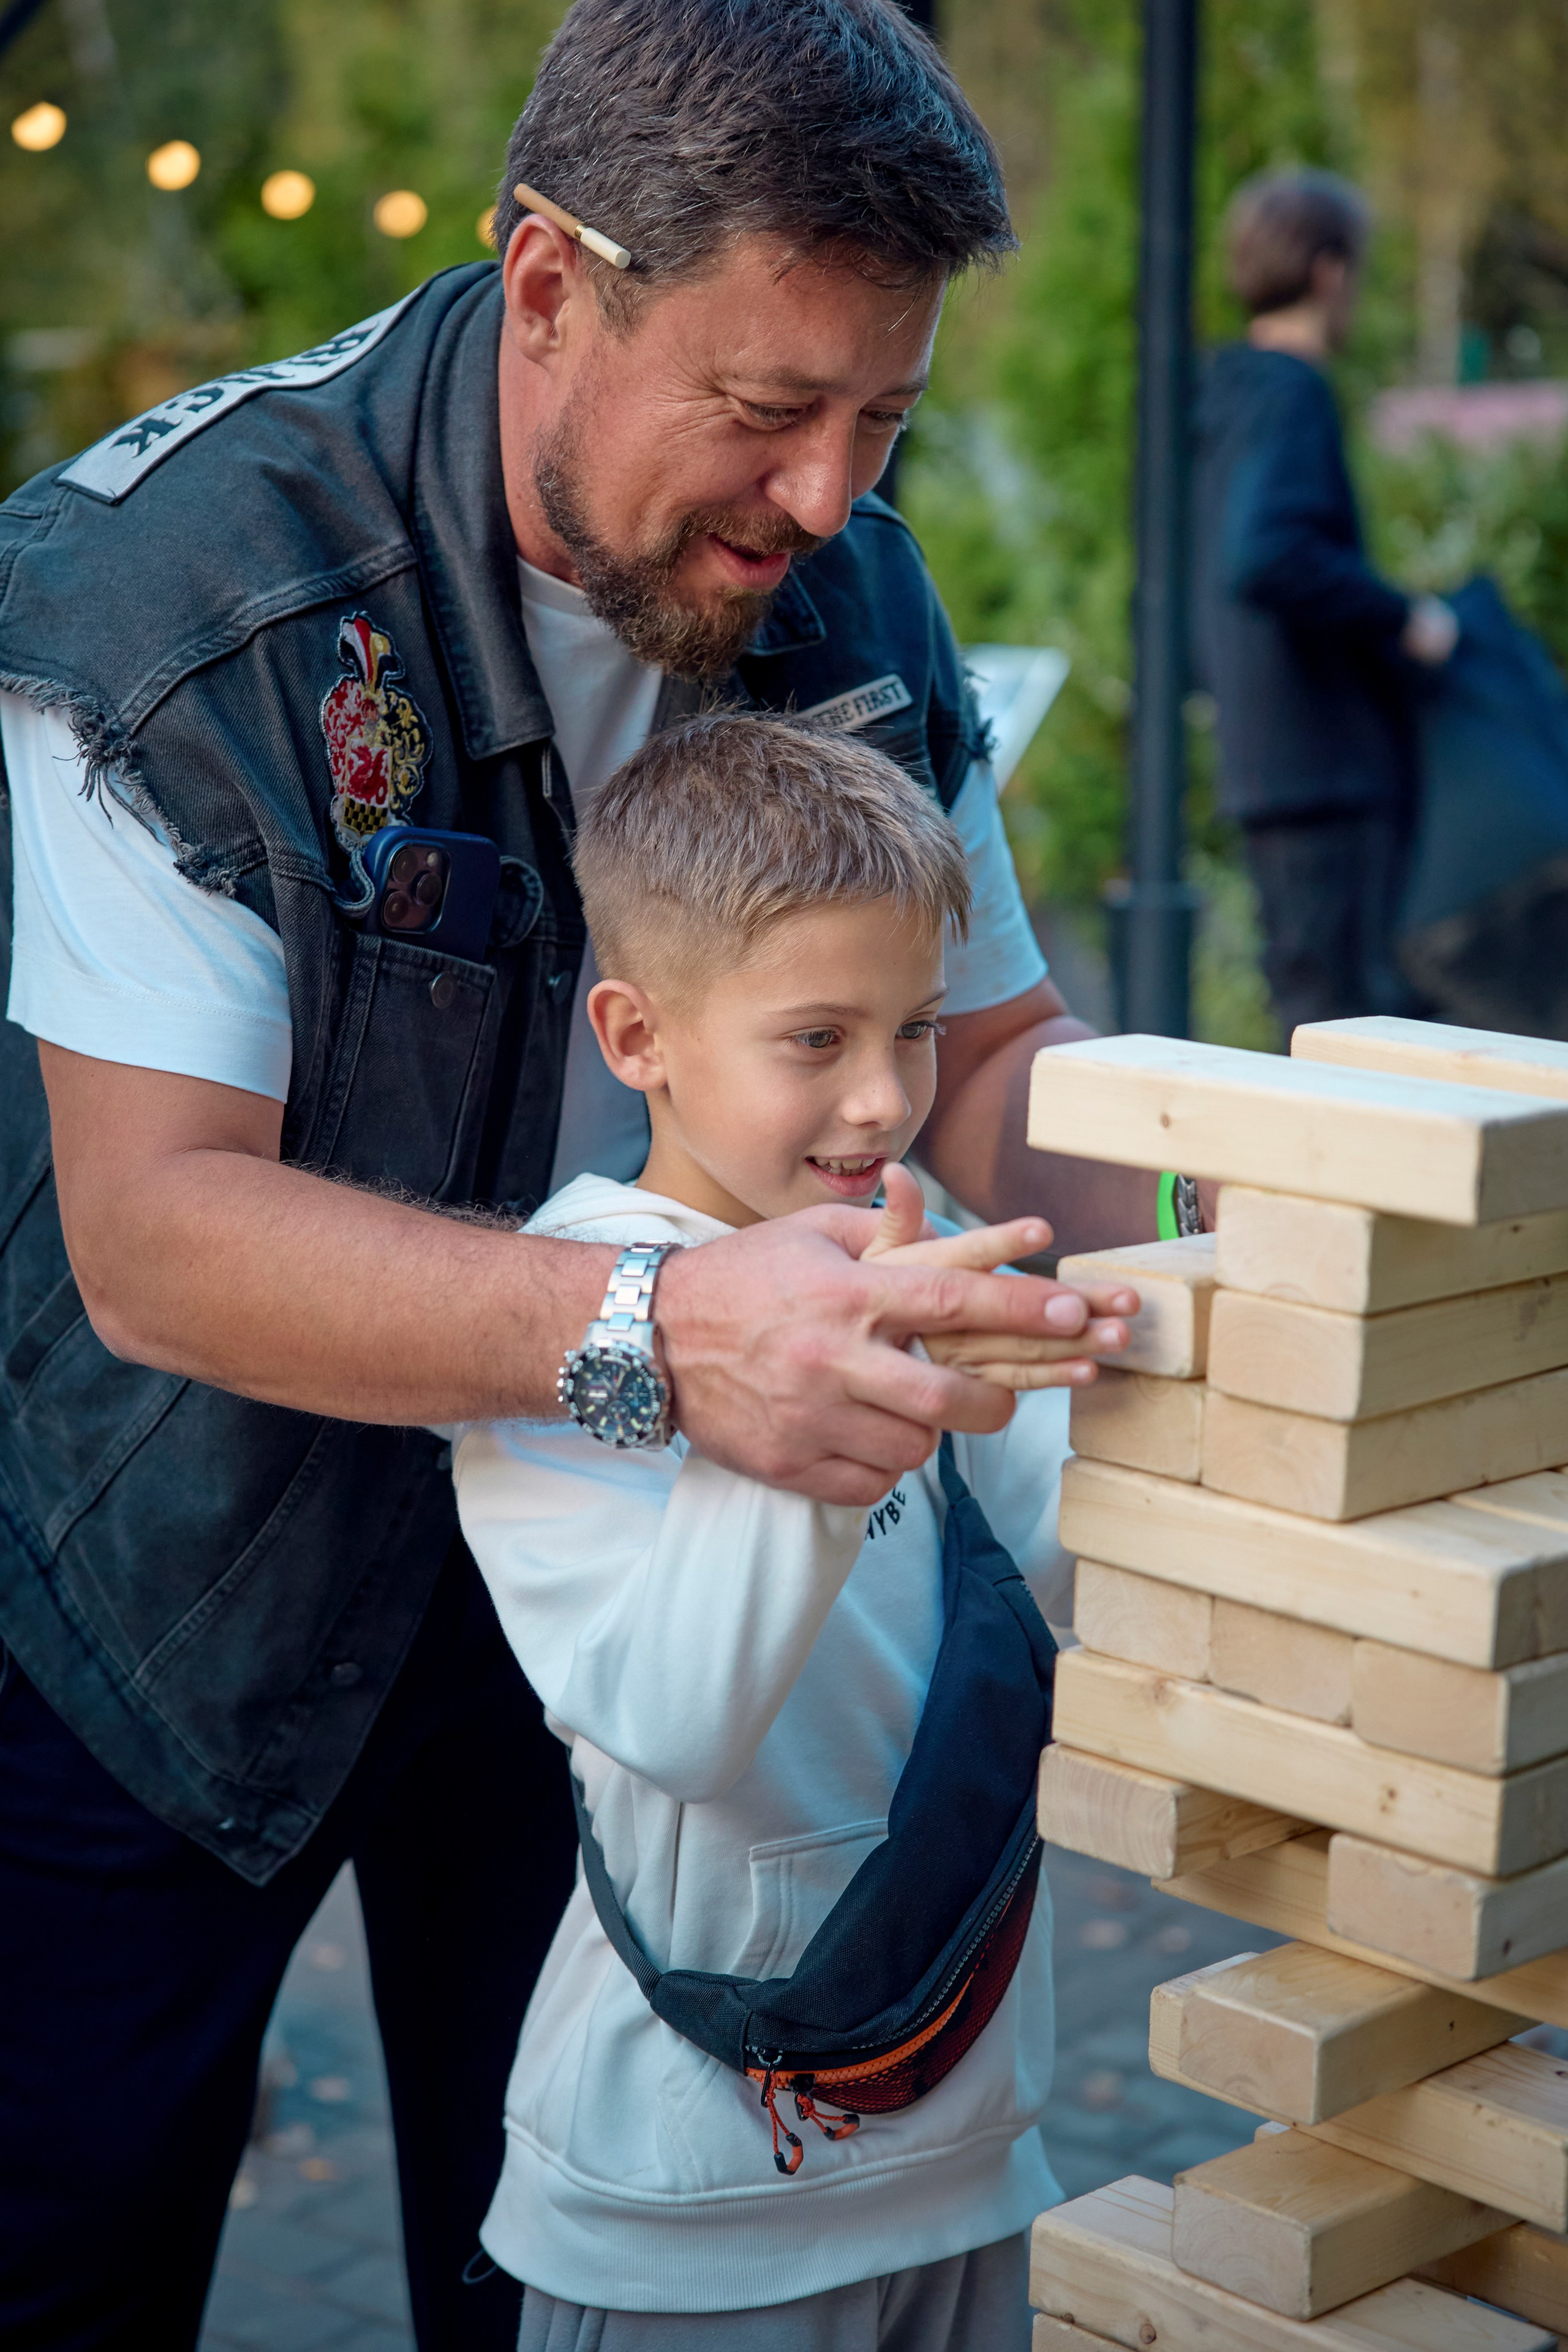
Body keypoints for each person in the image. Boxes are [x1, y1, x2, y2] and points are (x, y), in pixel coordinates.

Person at [0, 1, 1148, 2341]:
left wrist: (1228, 1263)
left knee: (531, 2270)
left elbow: (995, 1053)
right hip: (169, 1579)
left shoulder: (859, 588)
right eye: (769, 406)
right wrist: (665, 1334)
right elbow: (157, 1236)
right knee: (63, 2254)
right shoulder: (169, 600)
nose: (827, 501)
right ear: (551, 285)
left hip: (619, 1574)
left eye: (884, 419)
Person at [455, 711, 1093, 2352]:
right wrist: (825, 1401)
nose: (883, 1100)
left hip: (970, 2132)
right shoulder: (570, 1323)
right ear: (638, 1036)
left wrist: (1132, 1361)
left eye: (917, 1029)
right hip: (686, 2196)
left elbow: (1063, 1581)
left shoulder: (912, 1236)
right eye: (815, 1039)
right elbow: (668, 1718)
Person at [1191, 168, 1458, 1039]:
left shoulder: (1221, 393)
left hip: (1265, 762)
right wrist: (1404, 618)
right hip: (1327, 766)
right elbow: (1268, 554)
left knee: (1312, 1021)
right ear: (1330, 272)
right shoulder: (1291, 391)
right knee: (1355, 1035)